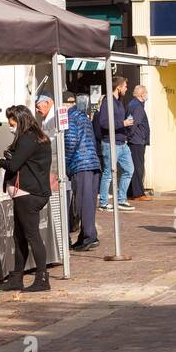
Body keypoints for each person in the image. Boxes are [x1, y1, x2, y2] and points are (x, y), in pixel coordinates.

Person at [0, 105, 53, 293]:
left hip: (27, 193)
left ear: (20, 120)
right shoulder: (38, 137)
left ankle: (42, 278)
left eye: (12, 122)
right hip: (33, 192)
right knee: (19, 235)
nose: (10, 126)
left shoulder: (28, 139)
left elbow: (14, 165)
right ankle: (16, 277)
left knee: (31, 235)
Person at [61, 92, 101, 251]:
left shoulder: (70, 117)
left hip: (80, 163)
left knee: (83, 203)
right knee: (88, 202)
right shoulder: (82, 116)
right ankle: (87, 235)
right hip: (92, 162)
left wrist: (66, 163)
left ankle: (89, 237)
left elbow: (70, 142)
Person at [95, 76, 136, 211]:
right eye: (124, 86)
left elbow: (117, 122)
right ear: (118, 87)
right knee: (108, 173)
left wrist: (126, 125)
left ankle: (121, 199)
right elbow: (104, 123)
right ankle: (104, 202)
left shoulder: (118, 102)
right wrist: (122, 123)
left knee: (129, 170)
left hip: (122, 142)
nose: (126, 88)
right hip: (110, 143)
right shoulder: (108, 102)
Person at [125, 83, 152, 202]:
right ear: (141, 94)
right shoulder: (138, 106)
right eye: (145, 93)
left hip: (135, 140)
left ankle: (132, 192)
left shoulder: (132, 104)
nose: (146, 95)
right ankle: (138, 193)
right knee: (138, 167)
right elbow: (134, 123)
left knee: (134, 167)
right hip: (137, 140)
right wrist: (130, 136)